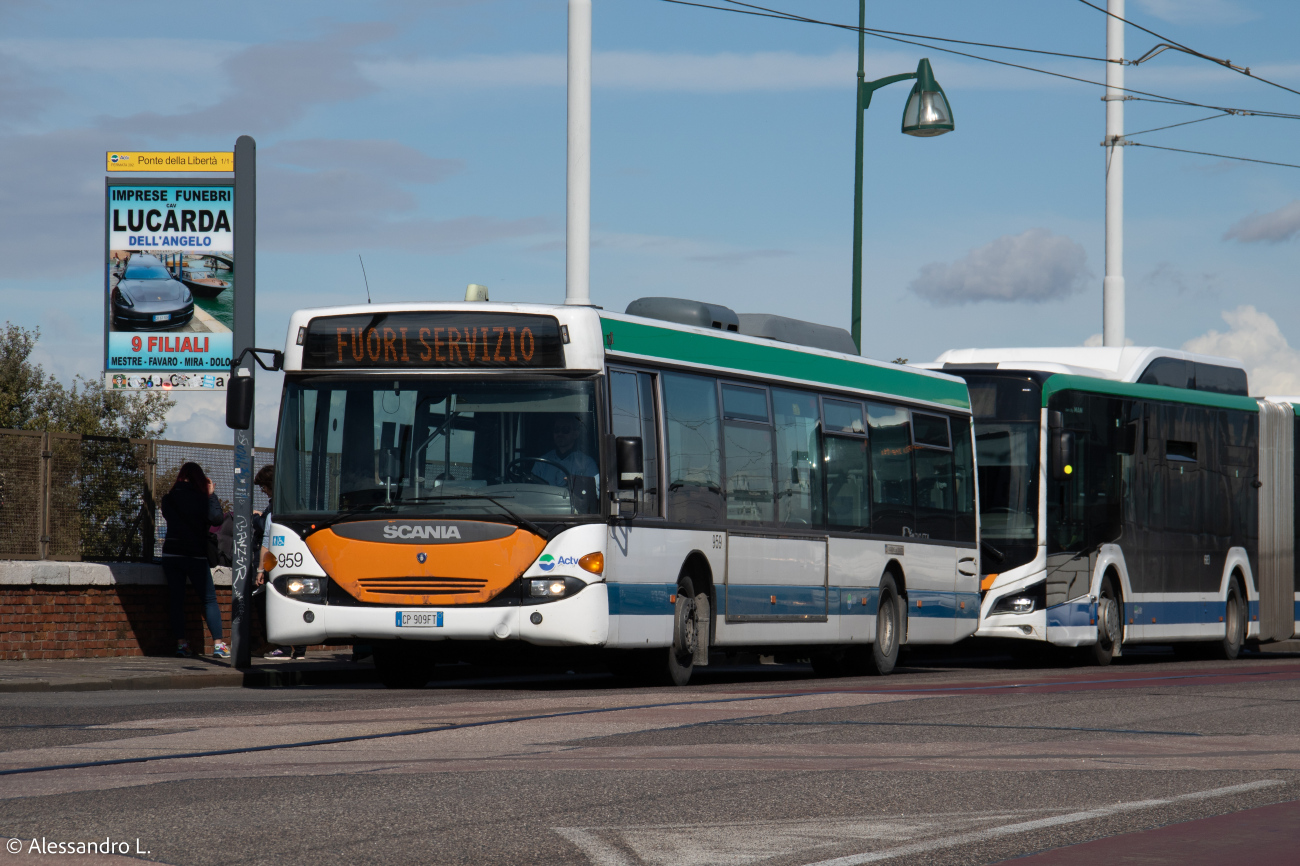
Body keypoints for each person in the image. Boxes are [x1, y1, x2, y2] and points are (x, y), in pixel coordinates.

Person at [159, 462, 227, 659]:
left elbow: (168, 517)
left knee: (177, 600)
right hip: (196, 554)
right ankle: (219, 645)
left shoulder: (169, 499)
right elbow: (216, 519)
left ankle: (182, 644)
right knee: (209, 599)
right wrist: (211, 494)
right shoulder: (202, 498)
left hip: (172, 553)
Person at [252, 464, 307, 660]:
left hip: (275, 563)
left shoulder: (274, 508)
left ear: (270, 485)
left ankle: (282, 647)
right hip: (295, 559)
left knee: (271, 603)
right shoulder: (296, 503)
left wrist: (260, 569)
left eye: (264, 487)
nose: (263, 491)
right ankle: (299, 649)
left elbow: (267, 541)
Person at [531, 413, 598, 487]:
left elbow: (593, 492)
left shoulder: (587, 464)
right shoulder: (541, 463)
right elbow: (532, 488)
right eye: (556, 430)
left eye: (565, 430)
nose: (560, 434)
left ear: (576, 434)